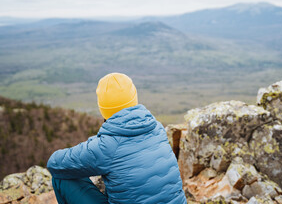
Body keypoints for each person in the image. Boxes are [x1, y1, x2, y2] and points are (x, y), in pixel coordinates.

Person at [47, 73, 187, 204]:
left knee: (62, 177)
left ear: (103, 108)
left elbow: (54, 163)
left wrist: (93, 145)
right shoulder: (157, 128)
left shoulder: (105, 146)